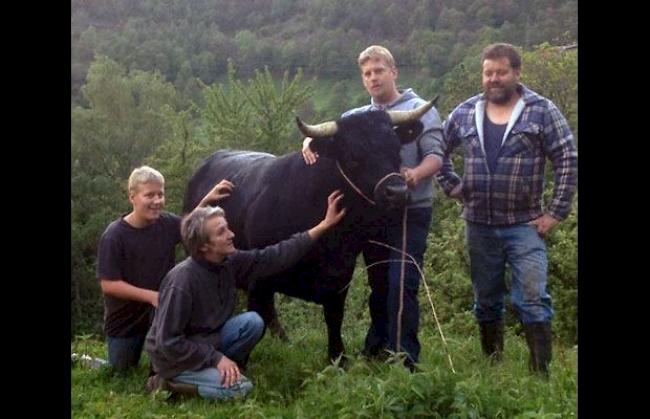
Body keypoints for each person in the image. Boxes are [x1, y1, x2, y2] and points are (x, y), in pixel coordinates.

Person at [436, 43, 577, 376]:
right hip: (479, 224)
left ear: (517, 73)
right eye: (488, 73)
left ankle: (540, 375)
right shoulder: (466, 111)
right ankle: (492, 366)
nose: (493, 79)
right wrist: (450, 184)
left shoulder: (542, 111)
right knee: (486, 300)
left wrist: (555, 212)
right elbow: (436, 147)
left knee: (532, 297)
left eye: (501, 72)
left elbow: (567, 160)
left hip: (525, 225)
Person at [302, 45, 444, 370]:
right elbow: (325, 134)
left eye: (379, 70)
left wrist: (414, 174)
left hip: (410, 210)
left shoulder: (419, 110)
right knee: (379, 282)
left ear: (393, 72)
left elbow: (436, 156)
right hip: (375, 214)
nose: (373, 77)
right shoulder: (359, 117)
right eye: (367, 73)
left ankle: (406, 358)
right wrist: (308, 143)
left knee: (401, 282)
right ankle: (376, 346)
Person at [144, 190, 347, 400]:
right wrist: (215, 359)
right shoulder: (182, 281)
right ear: (204, 245)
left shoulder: (228, 262)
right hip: (174, 359)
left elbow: (275, 255)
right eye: (222, 232)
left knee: (253, 322)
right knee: (240, 388)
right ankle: (167, 384)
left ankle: (225, 370)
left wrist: (323, 225)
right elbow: (167, 342)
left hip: (206, 341)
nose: (231, 235)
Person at [96, 165, 234, 373]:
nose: (157, 201)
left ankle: (165, 376)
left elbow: (192, 229)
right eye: (149, 195)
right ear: (132, 197)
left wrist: (207, 199)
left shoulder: (166, 223)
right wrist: (151, 296)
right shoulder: (114, 235)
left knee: (163, 360)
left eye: (160, 194)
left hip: (163, 311)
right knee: (119, 371)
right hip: (126, 320)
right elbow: (109, 284)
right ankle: (85, 359)